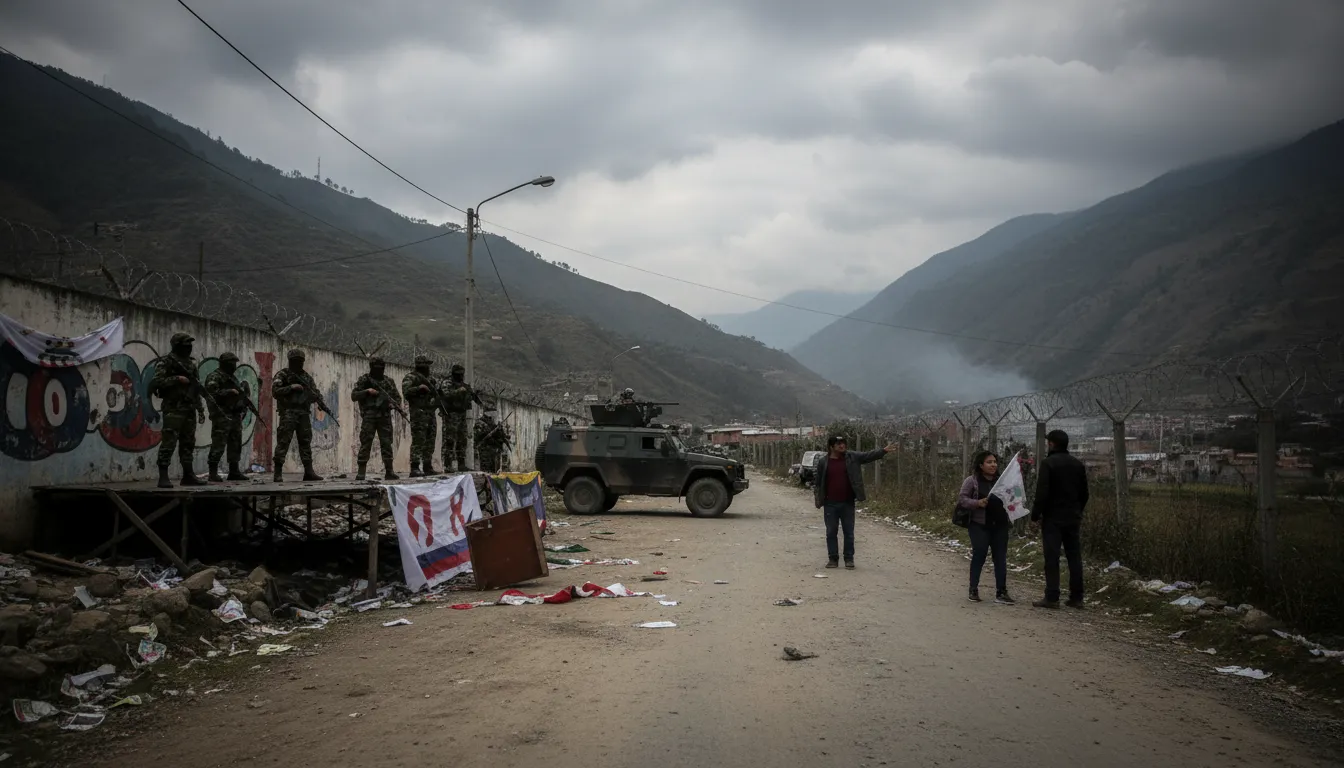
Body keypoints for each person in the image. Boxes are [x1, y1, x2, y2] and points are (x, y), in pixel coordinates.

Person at [812, 434, 896, 569]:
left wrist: (883, 451)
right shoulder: (824, 462)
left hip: (847, 502)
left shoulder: (852, 457)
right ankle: (833, 559)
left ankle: (849, 559)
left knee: (849, 532)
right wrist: (818, 499)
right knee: (830, 532)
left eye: (844, 443)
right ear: (831, 446)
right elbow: (818, 483)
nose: (842, 446)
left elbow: (868, 455)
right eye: (839, 444)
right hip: (830, 503)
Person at [1030, 429, 1090, 609]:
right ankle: (1077, 597)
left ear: (1051, 444)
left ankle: (1052, 596)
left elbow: (1042, 493)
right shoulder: (1077, 464)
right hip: (1072, 517)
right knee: (1074, 557)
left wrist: (1035, 515)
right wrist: (1077, 510)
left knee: (1052, 556)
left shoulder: (1049, 464)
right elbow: (1084, 493)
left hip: (1053, 518)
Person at [149, 332, 206, 488]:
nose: (188, 348)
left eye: (189, 345)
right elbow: (157, 382)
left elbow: (196, 387)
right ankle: (163, 476)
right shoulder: (167, 363)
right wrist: (177, 379)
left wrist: (200, 409)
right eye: (185, 345)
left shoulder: (190, 365)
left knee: (188, 443)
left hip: (189, 408)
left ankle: (188, 475)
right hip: (173, 408)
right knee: (169, 441)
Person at [957, 451, 1014, 604]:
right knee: (979, 555)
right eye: (989, 462)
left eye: (995, 461)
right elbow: (962, 499)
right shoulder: (972, 481)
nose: (993, 465)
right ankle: (973, 589)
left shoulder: (1002, 481)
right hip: (979, 525)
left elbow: (1013, 497)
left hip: (1000, 525)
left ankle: (1001, 591)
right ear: (981, 465)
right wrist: (977, 503)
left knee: (1000, 558)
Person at [271, 349, 323, 482]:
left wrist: (318, 399)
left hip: (303, 413)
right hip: (288, 412)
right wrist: (291, 387)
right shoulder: (283, 374)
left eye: (300, 361)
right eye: (296, 361)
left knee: (305, 442)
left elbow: (314, 392)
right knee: (283, 441)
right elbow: (275, 391)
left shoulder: (306, 377)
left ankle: (309, 472)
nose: (298, 363)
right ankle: (277, 473)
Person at [351, 356, 402, 481]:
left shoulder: (388, 382)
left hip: (384, 416)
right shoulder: (365, 379)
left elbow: (397, 398)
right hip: (370, 415)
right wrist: (367, 391)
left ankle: (389, 471)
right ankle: (361, 472)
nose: (379, 371)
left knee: (386, 444)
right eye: (377, 368)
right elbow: (354, 395)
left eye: (381, 368)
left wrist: (392, 404)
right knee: (366, 442)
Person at [204, 351, 249, 482]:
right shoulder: (215, 377)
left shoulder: (231, 378)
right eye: (232, 364)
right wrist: (229, 392)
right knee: (219, 443)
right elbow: (211, 393)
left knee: (235, 443)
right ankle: (213, 472)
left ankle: (234, 471)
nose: (234, 366)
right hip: (221, 415)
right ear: (224, 364)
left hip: (234, 414)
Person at [401, 354, 439, 477]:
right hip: (418, 413)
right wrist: (418, 388)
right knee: (419, 440)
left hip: (430, 412)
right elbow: (406, 392)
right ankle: (415, 467)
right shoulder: (411, 377)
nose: (429, 367)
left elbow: (436, 394)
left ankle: (427, 466)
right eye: (427, 365)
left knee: (430, 440)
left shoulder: (431, 380)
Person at [438, 363, 480, 471]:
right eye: (458, 374)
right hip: (451, 414)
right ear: (453, 374)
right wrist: (458, 391)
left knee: (462, 439)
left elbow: (474, 398)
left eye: (462, 374)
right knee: (450, 439)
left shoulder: (464, 385)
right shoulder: (447, 383)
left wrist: (472, 395)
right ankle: (447, 465)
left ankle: (461, 464)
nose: (461, 376)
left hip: (461, 414)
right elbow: (446, 395)